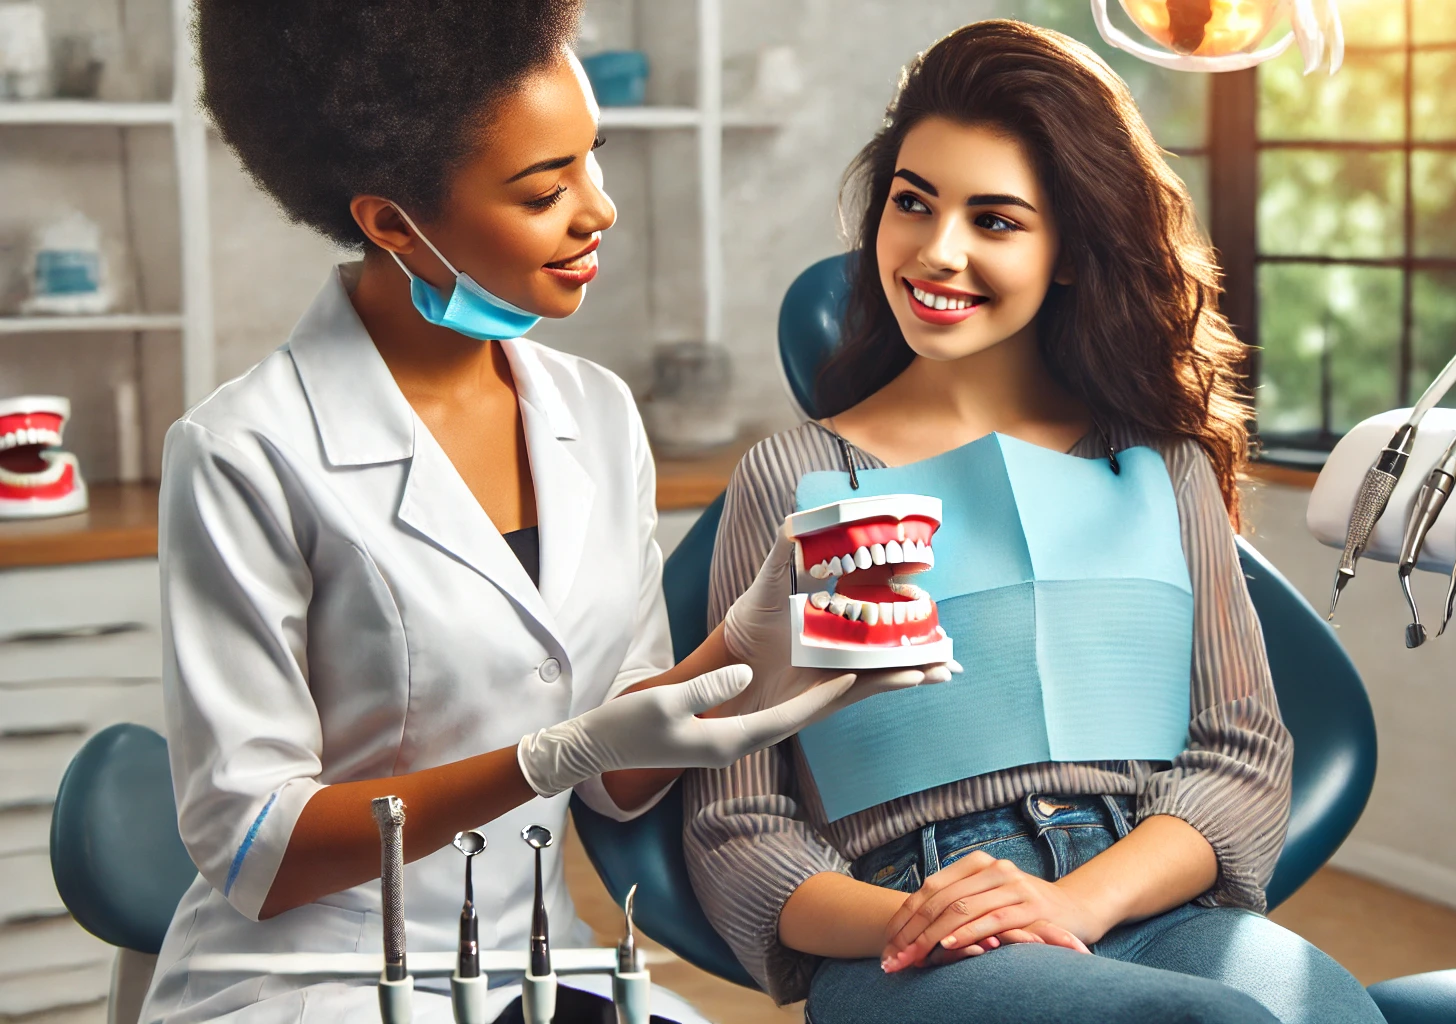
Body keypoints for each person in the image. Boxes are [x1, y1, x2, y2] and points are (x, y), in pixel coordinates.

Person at [146, 3, 949, 1021]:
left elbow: (616, 780)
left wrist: (745, 661)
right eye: (543, 189)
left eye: (592, 159)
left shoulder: (595, 415)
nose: (598, 210)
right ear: (391, 222)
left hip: (540, 966)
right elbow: (256, 849)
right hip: (318, 980)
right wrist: (543, 758)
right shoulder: (246, 451)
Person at [684, 21, 1385, 1024]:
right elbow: (737, 821)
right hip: (917, 931)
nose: (938, 250)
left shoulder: (1160, 463)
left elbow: (1240, 757)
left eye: (996, 220)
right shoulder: (794, 478)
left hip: (1149, 897)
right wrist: (909, 918)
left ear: (1067, 252)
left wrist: (1071, 900)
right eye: (912, 202)